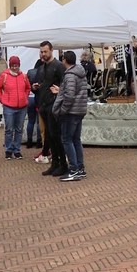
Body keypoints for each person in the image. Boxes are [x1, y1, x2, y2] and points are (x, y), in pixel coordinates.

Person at [52, 50, 89, 180]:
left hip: (71, 112)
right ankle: (80, 167)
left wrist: (63, 109)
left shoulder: (70, 75)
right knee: (76, 140)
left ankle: (73, 169)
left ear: (65, 60)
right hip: (79, 110)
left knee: (67, 139)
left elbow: (70, 95)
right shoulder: (80, 73)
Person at [33, 41, 67, 177]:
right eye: (41, 51)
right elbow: (40, 85)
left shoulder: (58, 66)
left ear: (51, 51)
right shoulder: (42, 67)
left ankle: (63, 164)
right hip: (44, 106)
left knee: (56, 136)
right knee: (49, 136)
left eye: (45, 51)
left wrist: (60, 91)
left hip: (54, 106)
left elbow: (66, 84)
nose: (43, 54)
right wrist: (34, 87)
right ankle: (55, 163)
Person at [0, 55, 31, 160]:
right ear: (10, 66)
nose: (14, 67)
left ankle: (17, 150)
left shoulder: (24, 76)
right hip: (9, 107)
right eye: (13, 65)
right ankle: (9, 150)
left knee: (19, 129)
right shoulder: (4, 76)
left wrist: (25, 97)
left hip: (22, 107)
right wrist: (4, 100)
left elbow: (28, 88)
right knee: (9, 129)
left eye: (16, 65)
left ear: (19, 65)